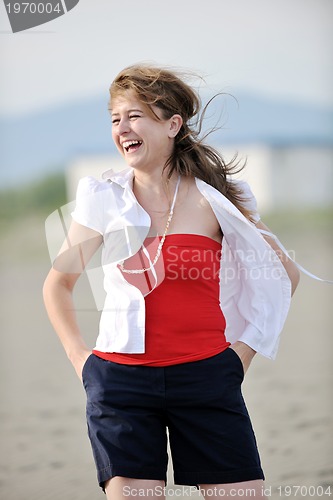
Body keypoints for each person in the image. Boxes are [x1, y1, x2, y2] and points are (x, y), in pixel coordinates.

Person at [43, 64, 300, 499]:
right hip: (120, 384)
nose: (122, 128)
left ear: (172, 124)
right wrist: (81, 361)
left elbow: (283, 276)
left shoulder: (220, 198)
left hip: (207, 377)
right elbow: (57, 284)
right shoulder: (103, 198)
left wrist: (239, 357)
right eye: (115, 119)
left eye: (135, 115)